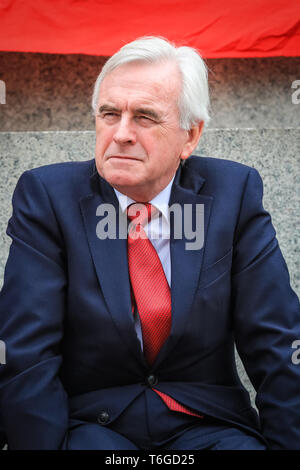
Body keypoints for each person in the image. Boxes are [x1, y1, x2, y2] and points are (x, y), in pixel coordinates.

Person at [0, 36, 299, 451]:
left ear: (190, 136)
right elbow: (25, 353)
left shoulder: (234, 193)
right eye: (109, 114)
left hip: (208, 426)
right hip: (89, 427)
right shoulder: (48, 198)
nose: (121, 133)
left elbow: (278, 342)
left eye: (144, 117)